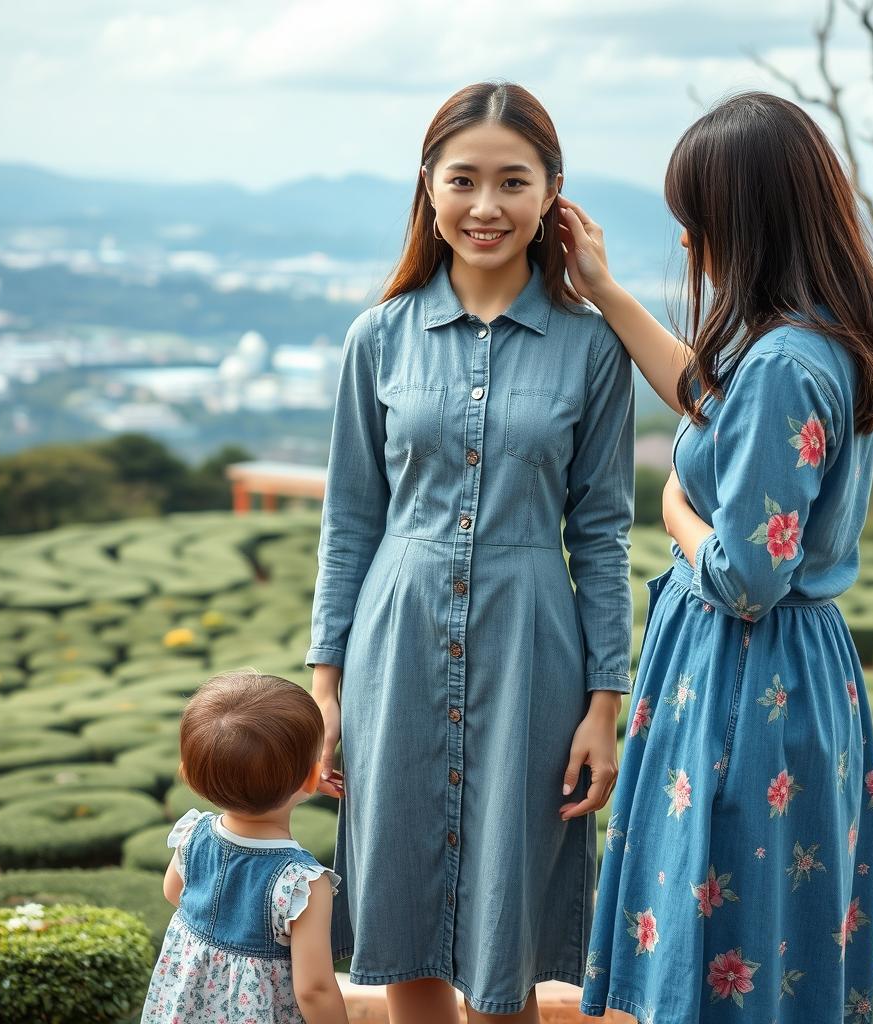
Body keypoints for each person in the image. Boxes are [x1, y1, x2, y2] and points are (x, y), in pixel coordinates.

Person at [561, 92, 873, 1023]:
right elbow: (713, 401)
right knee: (775, 950)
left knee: (719, 941)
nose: (689, 243)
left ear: (746, 224)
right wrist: (603, 289)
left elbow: (746, 579)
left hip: (743, 682)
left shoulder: (783, 363)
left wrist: (675, 508)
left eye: (698, 221)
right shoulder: (819, 336)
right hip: (792, 679)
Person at [308, 81, 635, 1023]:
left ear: (551, 196)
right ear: (429, 188)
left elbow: (603, 532)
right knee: (405, 931)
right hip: (395, 645)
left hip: (533, 653)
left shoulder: (591, 348)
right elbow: (350, 523)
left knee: (505, 952)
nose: (485, 206)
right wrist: (325, 687)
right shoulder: (379, 337)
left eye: (512, 182)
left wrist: (603, 704)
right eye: (463, 180)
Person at [141, 671, 347, 1024]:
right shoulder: (303, 884)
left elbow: (173, 892)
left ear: (189, 775)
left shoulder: (193, 833)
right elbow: (314, 988)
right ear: (313, 778)